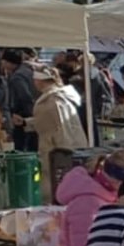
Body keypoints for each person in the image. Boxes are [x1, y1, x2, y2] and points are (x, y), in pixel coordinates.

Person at [31, 64, 90, 197]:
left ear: (39, 80)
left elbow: (63, 126)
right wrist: (27, 123)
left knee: (57, 184)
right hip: (55, 147)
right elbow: (48, 121)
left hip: (58, 149)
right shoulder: (53, 97)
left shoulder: (55, 100)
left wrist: (63, 152)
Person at [0, 49, 39, 151]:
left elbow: (24, 96)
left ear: (8, 62)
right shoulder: (29, 71)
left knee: (22, 146)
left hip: (23, 114)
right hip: (35, 111)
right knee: (33, 144)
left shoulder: (17, 77)